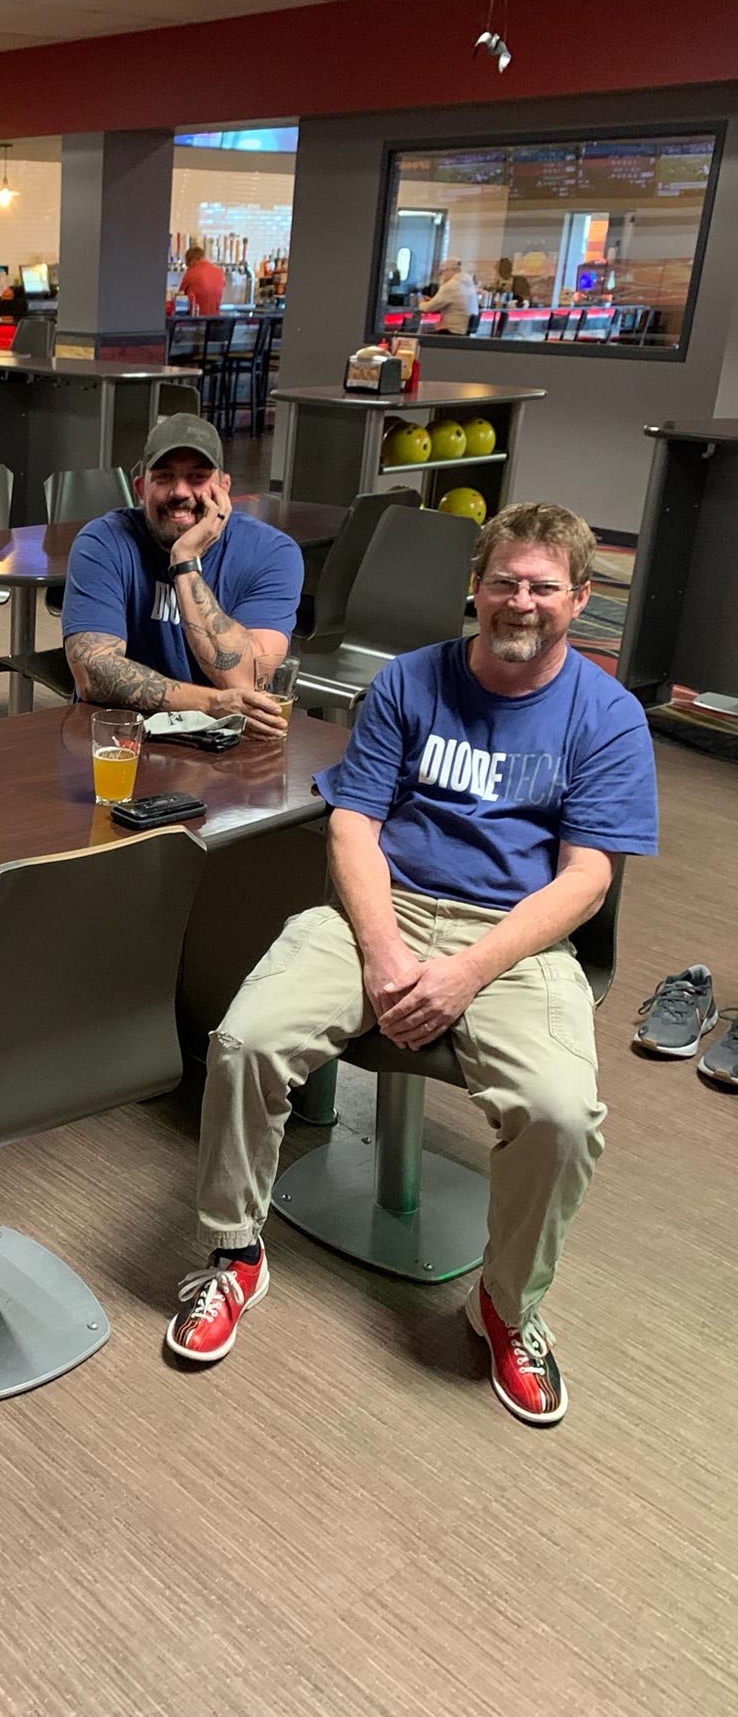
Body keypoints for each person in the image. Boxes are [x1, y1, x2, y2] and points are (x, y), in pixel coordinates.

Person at [167, 501, 659, 1427]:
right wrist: (386, 949)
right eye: (504, 582)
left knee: (561, 1114)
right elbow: (353, 823)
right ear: (475, 587)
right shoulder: (409, 682)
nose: (521, 601)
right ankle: (234, 1254)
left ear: (580, 598)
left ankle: (506, 1308)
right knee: (245, 1040)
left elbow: (587, 878)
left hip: (514, 934)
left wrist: (465, 972)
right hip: (384, 907)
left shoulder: (609, 717)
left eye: (543, 586)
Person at [60, 414, 301, 739]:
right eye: (164, 477)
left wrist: (185, 561)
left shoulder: (272, 553)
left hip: (232, 742)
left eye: (197, 477)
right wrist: (210, 704)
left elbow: (244, 682)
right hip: (123, 738)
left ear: (224, 489)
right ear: (141, 489)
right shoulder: (103, 541)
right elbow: (93, 673)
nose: (180, 491)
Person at [419, 257, 480, 336]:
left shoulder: (450, 286)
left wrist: (420, 302)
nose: (442, 275)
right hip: (464, 333)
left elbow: (427, 308)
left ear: (449, 270)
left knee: (421, 338)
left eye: (443, 272)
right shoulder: (468, 284)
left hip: (452, 332)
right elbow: (452, 302)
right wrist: (432, 300)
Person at [177, 243, 225, 317]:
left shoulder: (191, 272)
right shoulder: (219, 272)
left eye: (188, 264)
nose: (188, 267)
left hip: (196, 318)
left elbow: (180, 296)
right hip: (215, 317)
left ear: (192, 260)